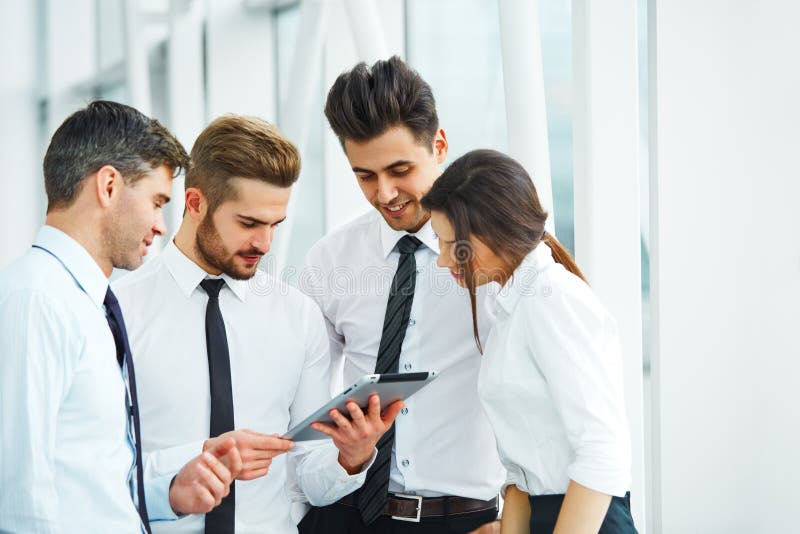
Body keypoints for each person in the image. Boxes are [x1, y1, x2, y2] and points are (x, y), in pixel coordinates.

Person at [113, 114, 399, 534]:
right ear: (195, 204)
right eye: (248, 224)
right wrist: (190, 464)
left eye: (274, 225)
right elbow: (100, 469)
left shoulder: (298, 317)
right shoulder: (119, 312)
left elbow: (309, 479)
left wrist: (349, 457)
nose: (264, 244)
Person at [0, 101, 242, 533]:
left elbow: (88, 480)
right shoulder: (36, 300)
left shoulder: (87, 303)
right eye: (156, 201)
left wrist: (167, 490)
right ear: (109, 186)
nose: (161, 226)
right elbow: (19, 497)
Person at [297, 56, 505, 534]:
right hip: (353, 514)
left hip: (469, 522)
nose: (384, 192)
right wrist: (346, 461)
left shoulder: (497, 258)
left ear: (440, 145)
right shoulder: (329, 261)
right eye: (365, 175)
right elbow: (302, 416)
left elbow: (544, 405)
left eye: (399, 169)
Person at [421, 149, 638, 534]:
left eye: (450, 244)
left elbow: (603, 452)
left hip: (585, 518)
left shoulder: (552, 297)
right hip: (546, 513)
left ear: (490, 233)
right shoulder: (511, 308)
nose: (441, 260)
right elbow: (521, 478)